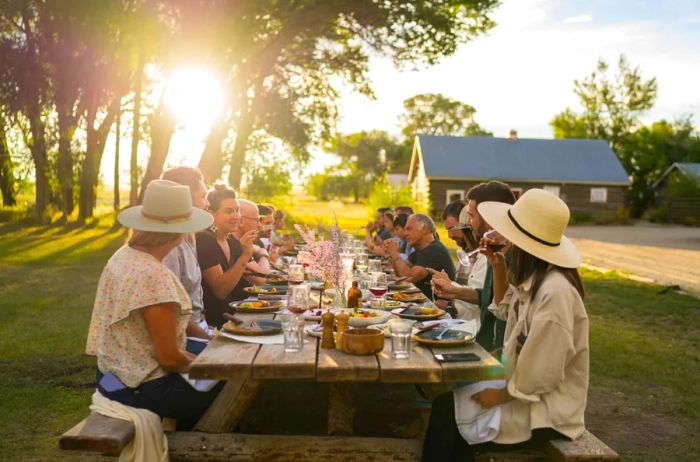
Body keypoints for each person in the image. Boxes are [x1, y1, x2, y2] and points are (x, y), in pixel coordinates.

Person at [422, 188, 588, 462]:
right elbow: (503, 307)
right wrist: (498, 266)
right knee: (446, 407)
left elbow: (542, 373)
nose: (504, 237)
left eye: (510, 232)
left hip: (548, 410)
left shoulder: (555, 292)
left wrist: (498, 396)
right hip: (523, 391)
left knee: (450, 418)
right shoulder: (538, 279)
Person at [86, 179, 223, 430]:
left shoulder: (123, 256)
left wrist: (202, 354)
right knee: (227, 380)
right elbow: (169, 358)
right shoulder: (153, 276)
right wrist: (211, 367)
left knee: (212, 360)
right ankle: (194, 443)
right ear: (180, 231)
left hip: (109, 376)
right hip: (137, 389)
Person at [432, 181, 515, 352]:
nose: (468, 223)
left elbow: (498, 308)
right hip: (487, 345)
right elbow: (497, 304)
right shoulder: (495, 254)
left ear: (488, 216)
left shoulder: (514, 256)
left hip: (497, 354)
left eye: (470, 216)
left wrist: (452, 290)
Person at [160, 167, 211, 349]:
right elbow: (173, 316)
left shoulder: (190, 235)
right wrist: (209, 340)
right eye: (203, 196)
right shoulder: (168, 248)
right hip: (183, 339)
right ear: (185, 200)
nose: (208, 203)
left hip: (199, 328)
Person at [196, 185, 257, 328]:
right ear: (212, 213)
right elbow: (220, 291)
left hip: (234, 318)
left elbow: (242, 283)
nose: (236, 216)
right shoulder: (204, 240)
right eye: (229, 211)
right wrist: (245, 255)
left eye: (237, 210)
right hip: (213, 326)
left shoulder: (230, 240)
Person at [384, 214, 455, 299]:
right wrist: (392, 255)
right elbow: (401, 276)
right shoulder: (420, 249)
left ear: (424, 229)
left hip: (440, 307)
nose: (405, 233)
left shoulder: (434, 250)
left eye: (409, 229)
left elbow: (409, 278)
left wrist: (395, 254)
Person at [439, 200, 486, 321]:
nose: (449, 235)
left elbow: (480, 299)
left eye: (453, 228)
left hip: (473, 330)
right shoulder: (464, 254)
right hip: (461, 324)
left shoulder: (486, 258)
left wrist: (449, 285)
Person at [232, 199, 270, 285]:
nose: (260, 225)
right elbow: (262, 278)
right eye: (256, 220)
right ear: (241, 221)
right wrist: (263, 253)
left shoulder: (242, 242)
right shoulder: (235, 244)